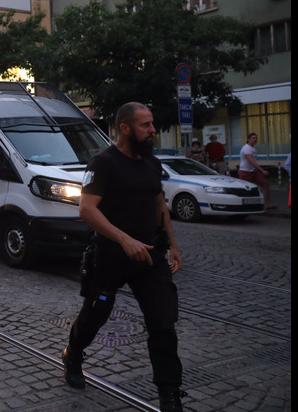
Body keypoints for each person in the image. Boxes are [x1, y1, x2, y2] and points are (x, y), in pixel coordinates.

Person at [62, 103, 185, 412]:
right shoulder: (102, 163)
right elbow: (86, 209)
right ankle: (73, 354)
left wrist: (172, 244)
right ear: (125, 128)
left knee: (163, 324)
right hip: (110, 256)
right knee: (96, 314)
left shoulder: (151, 163)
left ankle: (169, 395)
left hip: (150, 257)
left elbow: (159, 206)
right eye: (145, 125)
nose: (153, 130)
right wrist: (124, 239)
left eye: (152, 123)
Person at [237, 133, 277, 210]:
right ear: (248, 139)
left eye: (256, 138)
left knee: (265, 184)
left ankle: (268, 205)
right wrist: (262, 170)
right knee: (245, 189)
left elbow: (253, 161)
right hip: (245, 172)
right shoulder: (246, 148)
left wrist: (256, 169)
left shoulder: (253, 149)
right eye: (253, 138)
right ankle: (243, 206)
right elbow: (251, 160)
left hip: (253, 171)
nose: (255, 139)